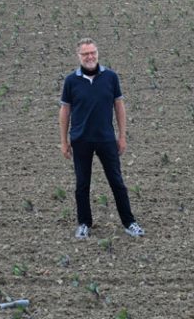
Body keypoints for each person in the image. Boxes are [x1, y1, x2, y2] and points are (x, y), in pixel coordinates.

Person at [59, 38, 144, 240]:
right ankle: (84, 223)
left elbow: (119, 107)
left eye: (93, 53)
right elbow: (65, 111)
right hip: (80, 140)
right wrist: (64, 141)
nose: (90, 57)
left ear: (97, 54)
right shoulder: (71, 81)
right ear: (79, 57)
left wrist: (122, 136)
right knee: (82, 184)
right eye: (85, 54)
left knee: (117, 182)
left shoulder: (110, 77)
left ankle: (129, 222)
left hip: (106, 139)